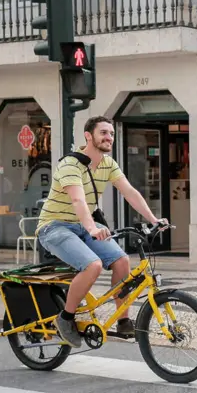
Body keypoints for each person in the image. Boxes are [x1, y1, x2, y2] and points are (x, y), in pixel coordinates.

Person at [36, 116, 165, 348]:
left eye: (112, 134)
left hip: (84, 227)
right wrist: (92, 228)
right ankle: (65, 318)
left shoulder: (108, 164)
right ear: (89, 136)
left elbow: (130, 192)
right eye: (104, 133)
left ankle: (123, 320)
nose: (109, 138)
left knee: (122, 261)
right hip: (54, 226)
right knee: (92, 265)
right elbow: (77, 200)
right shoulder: (69, 165)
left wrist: (154, 219)